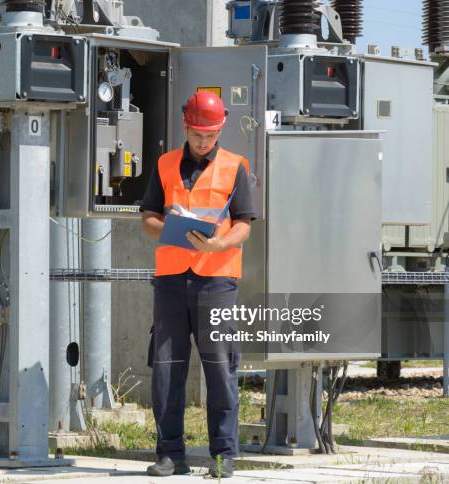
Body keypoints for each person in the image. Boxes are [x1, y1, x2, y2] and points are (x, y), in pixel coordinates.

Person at [140, 91, 255, 478]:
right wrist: (168, 230)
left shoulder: (235, 166)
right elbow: (148, 217)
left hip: (217, 281)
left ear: (219, 129)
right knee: (167, 368)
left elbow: (244, 224)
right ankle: (171, 455)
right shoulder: (165, 164)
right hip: (172, 280)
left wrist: (220, 242)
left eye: (209, 135)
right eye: (196, 134)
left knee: (220, 369)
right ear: (186, 127)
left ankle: (223, 456)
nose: (202, 141)